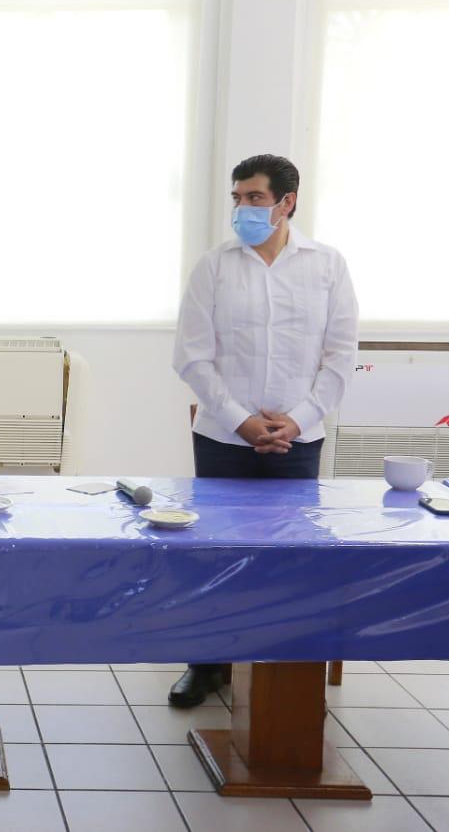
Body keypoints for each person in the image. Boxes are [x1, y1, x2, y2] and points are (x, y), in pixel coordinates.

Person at [168, 154, 358, 707]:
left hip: (298, 440)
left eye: (254, 198)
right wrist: (242, 421)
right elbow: (191, 356)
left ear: (286, 202)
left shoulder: (327, 266)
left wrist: (298, 419)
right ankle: (207, 665)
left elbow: (340, 356)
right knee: (216, 551)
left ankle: (282, 672)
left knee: (290, 557)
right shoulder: (214, 266)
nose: (243, 209)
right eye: (237, 198)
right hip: (224, 438)